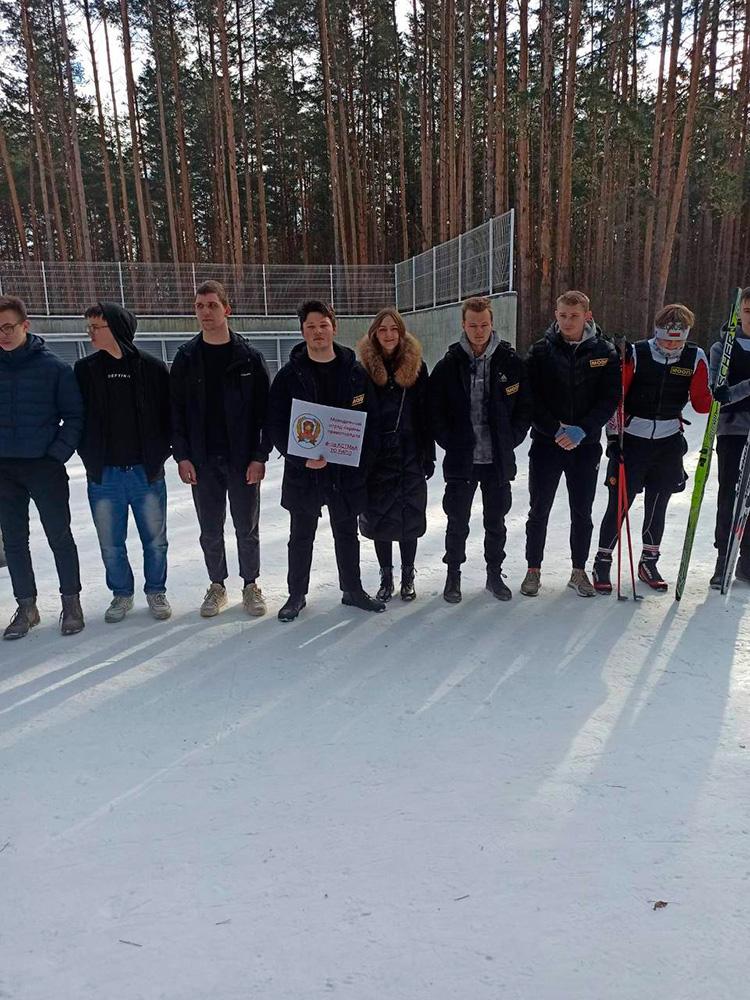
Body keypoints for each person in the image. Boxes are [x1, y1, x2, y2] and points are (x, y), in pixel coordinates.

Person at [267, 299, 386, 622]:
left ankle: (353, 590)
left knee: (346, 532)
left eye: (323, 325)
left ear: (334, 327)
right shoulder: (289, 376)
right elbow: (276, 424)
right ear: (302, 331)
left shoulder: (355, 373)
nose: (318, 332)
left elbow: (371, 422)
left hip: (345, 473)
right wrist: (300, 458)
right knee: (300, 535)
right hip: (304, 472)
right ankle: (296, 594)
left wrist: (361, 463)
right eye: (311, 326)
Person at [590, 304, 711, 593]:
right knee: (619, 504)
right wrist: (613, 440)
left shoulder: (694, 356)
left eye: (677, 341)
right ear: (657, 333)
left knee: (658, 505)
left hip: (668, 442)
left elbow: (701, 405)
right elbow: (616, 399)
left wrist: (716, 391)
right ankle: (602, 562)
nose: (671, 346)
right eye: (666, 340)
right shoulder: (638, 353)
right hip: (633, 440)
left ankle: (649, 561)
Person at [170, 280, 270, 618]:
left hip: (242, 460)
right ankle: (217, 585)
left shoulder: (249, 358)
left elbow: (265, 413)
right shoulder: (186, 358)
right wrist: (182, 455)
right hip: (202, 460)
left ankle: (251, 584)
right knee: (210, 529)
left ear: (227, 309)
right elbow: (176, 411)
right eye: (200, 306)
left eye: (212, 305)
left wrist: (259, 456)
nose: (206, 312)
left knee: (246, 527)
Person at [429, 296, 532, 603]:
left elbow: (525, 407)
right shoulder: (449, 365)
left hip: (497, 459)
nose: (478, 331)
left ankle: (494, 574)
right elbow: (434, 410)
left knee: (496, 522)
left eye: (484, 325)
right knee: (457, 521)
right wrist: (450, 441)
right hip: (462, 460)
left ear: (492, 324)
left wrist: (510, 438)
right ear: (463, 325)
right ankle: (453, 575)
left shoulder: (511, 363)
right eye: (472, 325)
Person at [75, 303, 172, 622]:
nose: (90, 333)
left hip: (146, 474)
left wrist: (158, 456)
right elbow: (77, 418)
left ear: (116, 328)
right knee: (110, 544)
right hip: (105, 476)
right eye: (88, 327)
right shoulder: (85, 370)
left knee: (155, 541)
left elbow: (170, 417)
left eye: (96, 327)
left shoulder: (152, 368)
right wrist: (90, 457)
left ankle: (156, 590)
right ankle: (121, 593)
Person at [522, 290, 620, 597]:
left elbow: (609, 398)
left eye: (574, 316)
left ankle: (579, 571)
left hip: (585, 446)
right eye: (562, 315)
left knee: (582, 511)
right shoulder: (540, 351)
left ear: (587, 316)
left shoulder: (604, 351)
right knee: (539, 509)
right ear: (556, 315)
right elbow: (530, 398)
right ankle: (533, 570)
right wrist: (555, 429)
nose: (567, 321)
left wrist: (583, 429)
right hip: (546, 443)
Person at [0, 294, 85, 639]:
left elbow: (75, 416)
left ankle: (71, 603)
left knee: (59, 536)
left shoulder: (54, 368)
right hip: (4, 471)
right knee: (14, 541)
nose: (3, 335)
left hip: (43, 467)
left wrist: (55, 456)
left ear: (26, 325)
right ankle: (27, 606)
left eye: (8, 327)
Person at [357, 309, 434, 602]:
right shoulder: (362, 370)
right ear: (374, 334)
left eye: (393, 329)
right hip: (375, 456)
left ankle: (408, 576)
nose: (388, 335)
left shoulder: (418, 367)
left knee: (409, 516)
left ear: (401, 333)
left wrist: (428, 453)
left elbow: (426, 413)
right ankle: (386, 576)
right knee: (379, 518)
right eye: (382, 329)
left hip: (409, 452)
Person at [710, 286, 750, 587]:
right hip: (733, 429)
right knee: (729, 493)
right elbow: (718, 395)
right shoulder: (722, 347)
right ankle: (723, 557)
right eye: (747, 311)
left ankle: (746, 560)